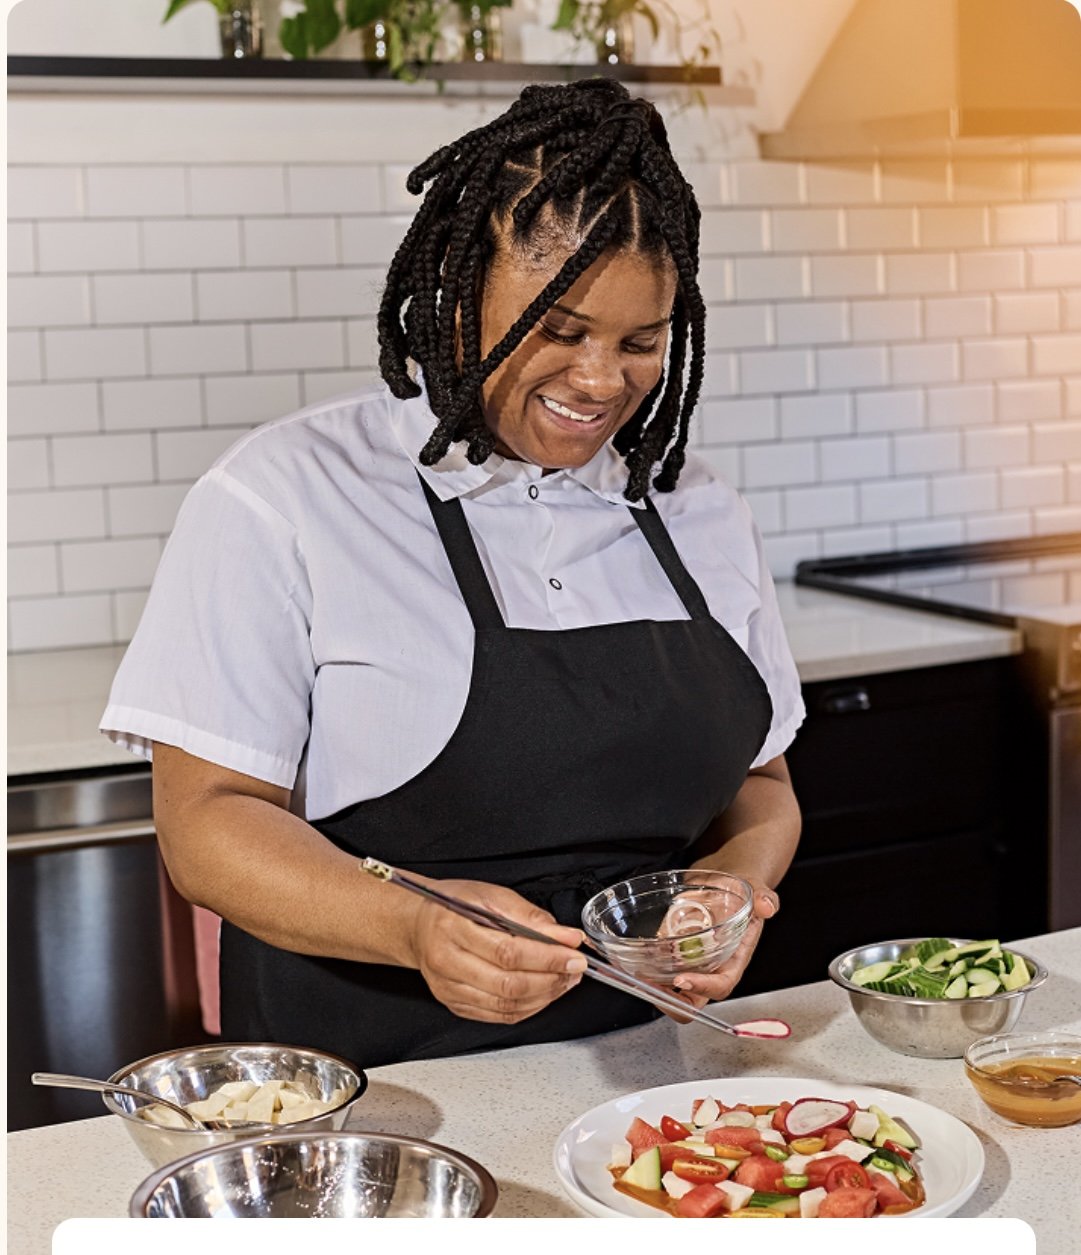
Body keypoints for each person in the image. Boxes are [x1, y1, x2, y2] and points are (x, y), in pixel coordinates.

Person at [101, 78, 804, 1069]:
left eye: (639, 343)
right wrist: (413, 926)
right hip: (364, 1097)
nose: (601, 381)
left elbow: (763, 785)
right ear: (457, 296)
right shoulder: (285, 494)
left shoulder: (696, 508)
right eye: (557, 331)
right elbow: (205, 826)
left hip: (647, 1087)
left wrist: (732, 883)